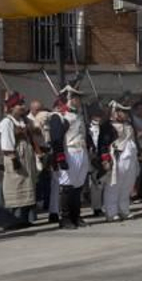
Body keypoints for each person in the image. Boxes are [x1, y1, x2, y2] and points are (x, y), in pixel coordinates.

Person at [47, 84, 90, 230]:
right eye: (76, 97)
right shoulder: (58, 116)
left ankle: (75, 216)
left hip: (81, 152)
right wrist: (61, 158)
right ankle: (65, 218)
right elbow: (56, 139)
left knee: (77, 187)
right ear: (69, 99)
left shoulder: (78, 115)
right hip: (68, 152)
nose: (79, 100)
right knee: (66, 186)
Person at [0, 92, 37, 229]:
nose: (22, 107)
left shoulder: (24, 121)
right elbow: (6, 143)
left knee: (27, 186)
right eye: (19, 104)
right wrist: (14, 159)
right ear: (12, 107)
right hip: (15, 156)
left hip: (26, 155)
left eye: (22, 104)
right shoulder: (7, 122)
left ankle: (23, 218)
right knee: (15, 186)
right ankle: (11, 220)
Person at [101, 99, 139, 221]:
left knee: (127, 186)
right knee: (113, 186)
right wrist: (105, 159)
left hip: (130, 158)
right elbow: (102, 144)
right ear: (116, 112)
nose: (126, 114)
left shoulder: (129, 125)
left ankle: (124, 210)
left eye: (127, 112)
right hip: (117, 158)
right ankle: (111, 213)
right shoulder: (107, 126)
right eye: (123, 111)